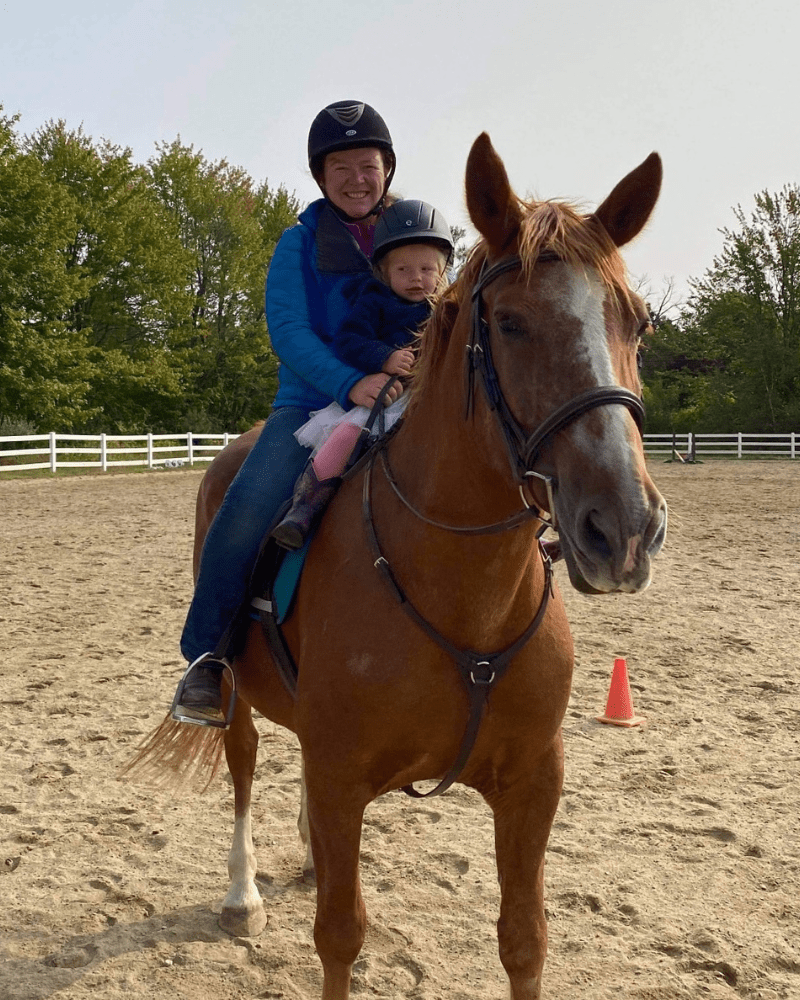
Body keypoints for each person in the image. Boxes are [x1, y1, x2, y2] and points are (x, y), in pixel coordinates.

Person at [172, 101, 403, 727]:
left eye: (368, 164)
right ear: (321, 175)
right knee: (245, 506)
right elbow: (290, 332)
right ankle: (207, 659)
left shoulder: (411, 233)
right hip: (312, 404)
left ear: (387, 169)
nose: (356, 177)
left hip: (406, 396)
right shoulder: (299, 243)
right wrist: (354, 382)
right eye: (340, 166)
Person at [270, 199, 453, 551]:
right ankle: (305, 506)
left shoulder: (449, 310)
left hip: (432, 398)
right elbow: (349, 340)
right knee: (347, 432)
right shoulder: (375, 302)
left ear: (443, 272)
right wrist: (384, 357)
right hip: (384, 395)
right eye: (403, 270)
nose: (416, 278)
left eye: (427, 270)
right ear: (384, 273)